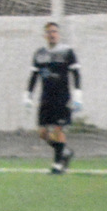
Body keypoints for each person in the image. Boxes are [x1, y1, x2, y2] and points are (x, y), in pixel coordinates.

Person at [24, 22, 81, 174]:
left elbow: (76, 74)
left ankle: (57, 165)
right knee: (43, 133)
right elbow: (34, 76)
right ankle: (65, 152)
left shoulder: (67, 52)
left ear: (59, 34)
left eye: (55, 31)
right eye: (49, 32)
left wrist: (78, 96)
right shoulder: (39, 54)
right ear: (45, 35)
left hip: (62, 98)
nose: (52, 34)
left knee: (57, 131)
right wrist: (28, 96)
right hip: (45, 98)